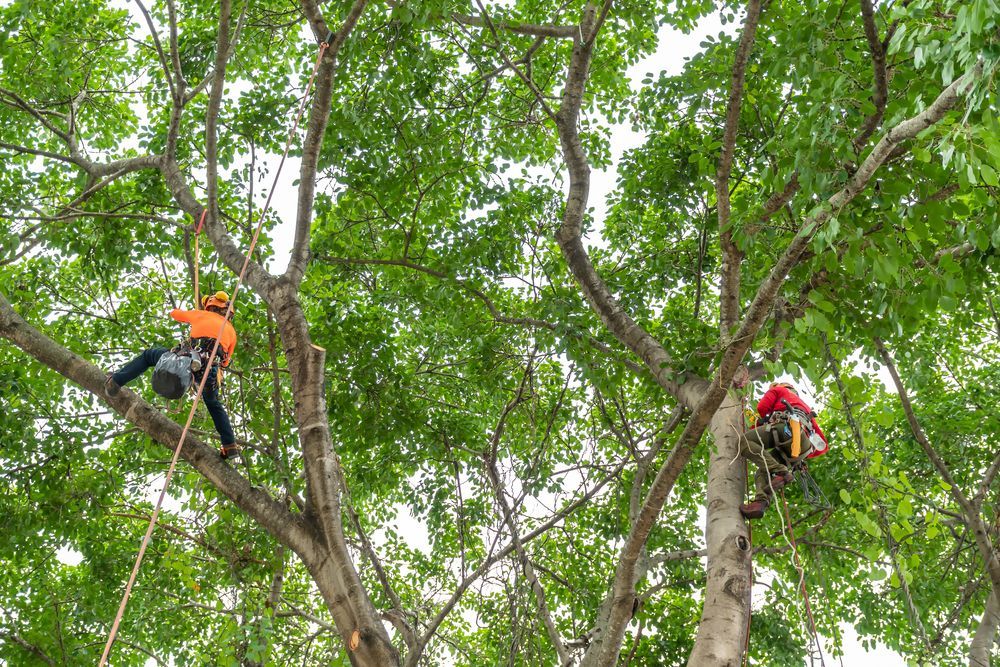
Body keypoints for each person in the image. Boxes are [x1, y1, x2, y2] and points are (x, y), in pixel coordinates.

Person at [105, 291, 242, 461]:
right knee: (214, 404)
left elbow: (175, 314)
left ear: (209, 306)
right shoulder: (232, 332)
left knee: (149, 356)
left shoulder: (200, 314)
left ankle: (116, 381)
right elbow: (226, 362)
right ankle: (229, 445)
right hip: (210, 369)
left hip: (185, 360)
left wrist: (192, 313)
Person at [739, 382, 828, 519]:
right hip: (801, 446)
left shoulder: (778, 390)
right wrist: (799, 457)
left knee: (743, 442)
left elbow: (762, 408)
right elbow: (822, 445)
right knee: (762, 471)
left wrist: (757, 422)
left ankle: (780, 471)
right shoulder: (806, 409)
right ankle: (760, 502)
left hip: (785, 428)